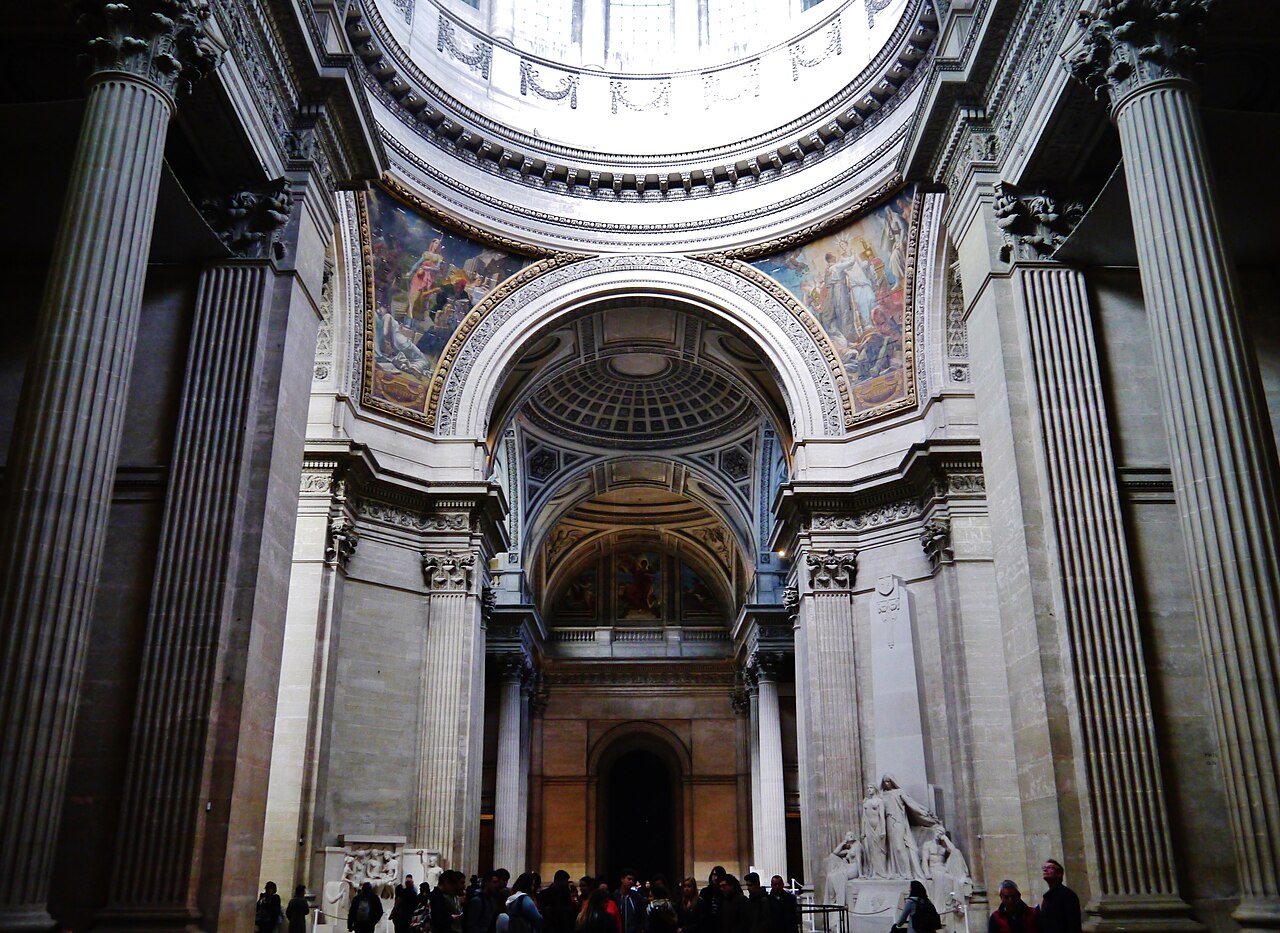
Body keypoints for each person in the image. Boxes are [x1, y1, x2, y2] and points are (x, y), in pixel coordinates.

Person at [1036, 860, 1081, 933]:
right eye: (1044, 867)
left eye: (1050, 867)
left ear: (1059, 874)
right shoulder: (1049, 895)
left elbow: (1073, 924)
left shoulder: (1068, 895)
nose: (1045, 869)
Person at [696, 867, 725, 933]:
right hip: (707, 925)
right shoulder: (705, 892)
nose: (716, 878)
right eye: (714, 875)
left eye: (718, 875)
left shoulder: (724, 892)